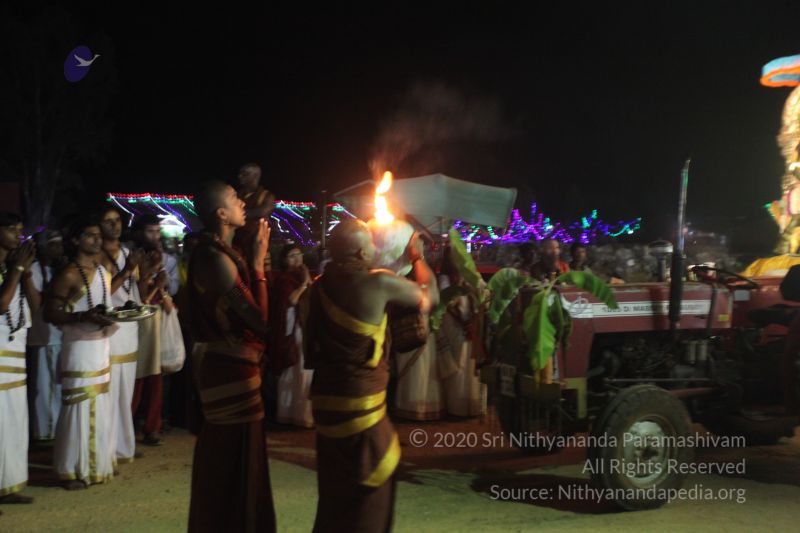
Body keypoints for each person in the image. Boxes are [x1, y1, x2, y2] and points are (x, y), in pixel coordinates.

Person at [305, 219, 437, 532]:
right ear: (362, 252)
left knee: (335, 495)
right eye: (370, 245)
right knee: (369, 497)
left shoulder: (316, 288)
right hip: (361, 411)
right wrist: (417, 256)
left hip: (325, 408)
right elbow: (430, 296)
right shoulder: (377, 282)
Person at [187, 180, 275, 532]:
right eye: (235, 199)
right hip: (228, 371)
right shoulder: (214, 259)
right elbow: (260, 321)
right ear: (222, 214)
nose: (243, 203)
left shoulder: (224, 252)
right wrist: (258, 266)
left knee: (242, 452)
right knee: (233, 453)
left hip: (235, 364)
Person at [47, 216, 118, 490]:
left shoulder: (103, 271)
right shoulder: (68, 274)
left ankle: (99, 464)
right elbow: (50, 313)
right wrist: (81, 317)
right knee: (78, 403)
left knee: (100, 401)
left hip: (100, 343)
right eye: (90, 235)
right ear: (76, 240)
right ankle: (72, 469)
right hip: (78, 346)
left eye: (98, 235)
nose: (97, 239)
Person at [99, 206, 144, 463]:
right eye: (108, 221)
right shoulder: (97, 256)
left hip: (130, 327)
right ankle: (107, 449)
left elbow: (133, 290)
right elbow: (103, 292)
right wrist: (127, 270)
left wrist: (147, 274)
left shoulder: (128, 253)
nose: (115, 225)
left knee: (126, 389)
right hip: (109, 328)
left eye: (117, 220)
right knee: (111, 389)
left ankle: (124, 445)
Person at [0, 213, 39, 505]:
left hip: (15, 355)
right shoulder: (10, 268)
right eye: (12, 229)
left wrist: (25, 274)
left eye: (20, 230)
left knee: (13, 421)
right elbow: (2, 304)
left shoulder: (15, 267)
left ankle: (8, 484)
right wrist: (17, 270)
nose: (19, 235)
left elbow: (36, 306)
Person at [437, 246, 486, 418]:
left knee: (469, 364)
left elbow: (484, 291)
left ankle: (471, 405)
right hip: (453, 324)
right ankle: (456, 407)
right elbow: (446, 299)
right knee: (457, 367)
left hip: (470, 324)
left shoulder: (470, 274)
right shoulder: (444, 277)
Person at [27, 230, 65, 442]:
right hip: (44, 337)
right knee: (45, 387)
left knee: (56, 386)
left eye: (60, 244)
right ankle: (45, 431)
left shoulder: (60, 269)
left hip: (59, 336)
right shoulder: (34, 269)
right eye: (53, 245)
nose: (58, 249)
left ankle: (55, 428)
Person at [273, 244, 314, 428]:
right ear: (284, 260)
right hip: (292, 328)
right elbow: (291, 300)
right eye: (292, 256)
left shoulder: (302, 275)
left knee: (303, 370)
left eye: (299, 254)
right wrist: (304, 284)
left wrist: (306, 281)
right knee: (295, 368)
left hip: (303, 326)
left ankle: (301, 414)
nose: (297, 259)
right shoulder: (283, 279)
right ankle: (290, 413)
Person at [234, 162, 276, 271]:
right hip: (238, 245)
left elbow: (261, 212)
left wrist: (235, 213)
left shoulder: (267, 196)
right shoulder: (236, 195)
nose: (240, 176)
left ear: (255, 176)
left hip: (257, 246)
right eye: (240, 173)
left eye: (245, 173)